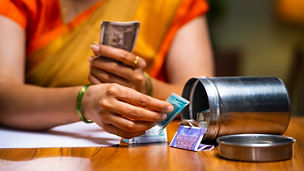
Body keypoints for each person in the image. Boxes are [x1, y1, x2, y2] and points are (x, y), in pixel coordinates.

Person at [0, 0, 213, 138]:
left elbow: (205, 99)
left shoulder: (173, 4)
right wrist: (85, 101)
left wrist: (145, 86)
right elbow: (4, 96)